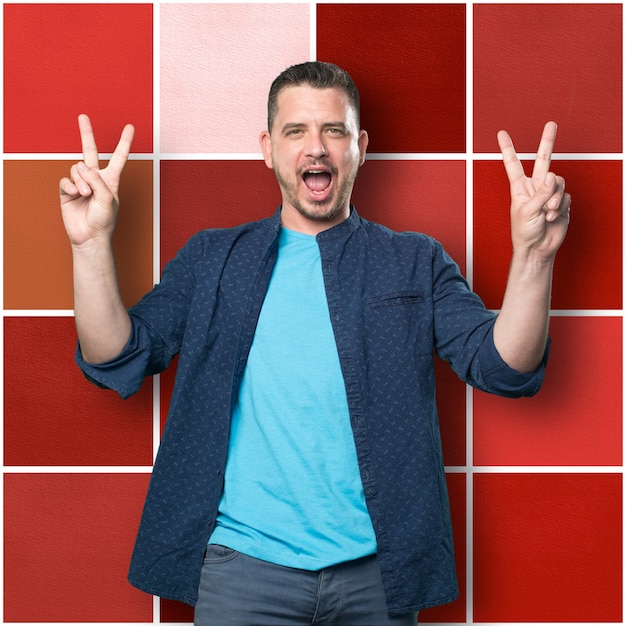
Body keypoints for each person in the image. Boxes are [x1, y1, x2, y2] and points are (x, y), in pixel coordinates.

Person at [59, 61, 570, 625]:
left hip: (378, 572)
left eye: (334, 130)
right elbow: (117, 355)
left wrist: (535, 256)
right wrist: (89, 245)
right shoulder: (212, 259)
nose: (316, 148)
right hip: (241, 568)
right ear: (268, 148)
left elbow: (503, 366)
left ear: (360, 146)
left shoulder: (414, 261)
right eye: (296, 131)